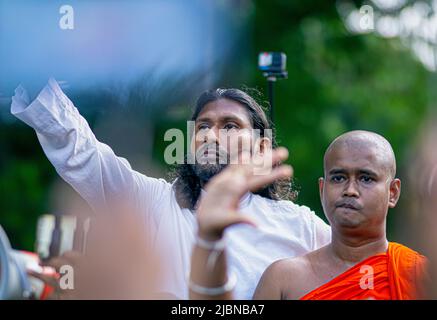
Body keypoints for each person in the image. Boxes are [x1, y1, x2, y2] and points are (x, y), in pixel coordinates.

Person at [11, 79, 330, 299]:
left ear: (262, 146)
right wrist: (32, 75)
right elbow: (81, 152)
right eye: (203, 126)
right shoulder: (153, 202)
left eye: (229, 126)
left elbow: (362, 259)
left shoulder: (299, 225)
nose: (210, 136)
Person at [190, 130, 428, 300]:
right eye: (338, 178)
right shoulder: (283, 278)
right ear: (323, 189)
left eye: (366, 178)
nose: (350, 190)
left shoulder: (420, 276)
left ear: (393, 192)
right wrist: (210, 239)